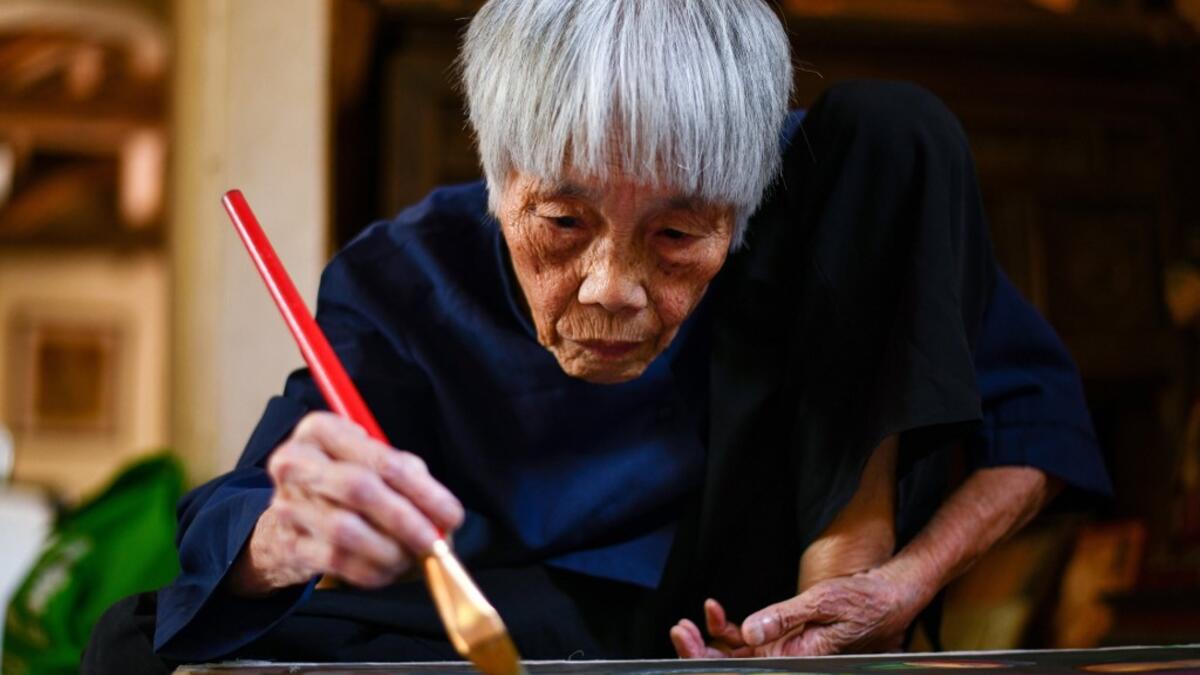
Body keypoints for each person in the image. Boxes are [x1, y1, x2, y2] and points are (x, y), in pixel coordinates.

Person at [83, 0, 1111, 672]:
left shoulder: (844, 189)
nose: (614, 289)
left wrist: (892, 592)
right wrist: (285, 536)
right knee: (137, 642)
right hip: (521, 620)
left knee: (898, 128)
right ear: (498, 180)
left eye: (678, 234)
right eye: (562, 225)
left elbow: (1040, 428)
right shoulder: (401, 278)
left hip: (746, 596)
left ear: (743, 206)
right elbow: (237, 507)